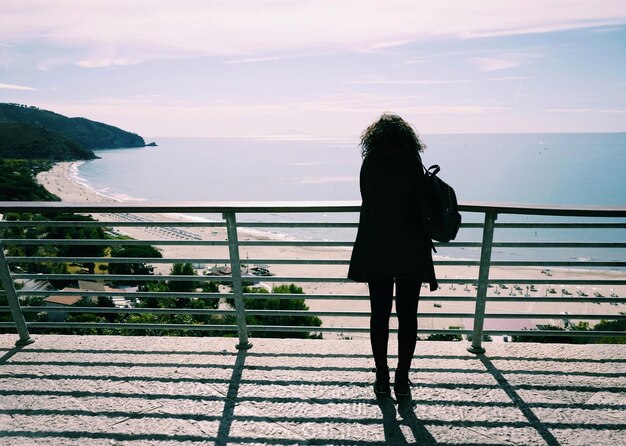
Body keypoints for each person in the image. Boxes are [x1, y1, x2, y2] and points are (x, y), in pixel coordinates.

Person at [348, 113, 437, 398]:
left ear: (373, 136)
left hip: (378, 246)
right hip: (411, 246)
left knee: (380, 315)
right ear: (407, 136)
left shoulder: (371, 161)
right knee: (408, 316)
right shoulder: (412, 160)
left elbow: (367, 198)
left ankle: (382, 378)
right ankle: (402, 377)